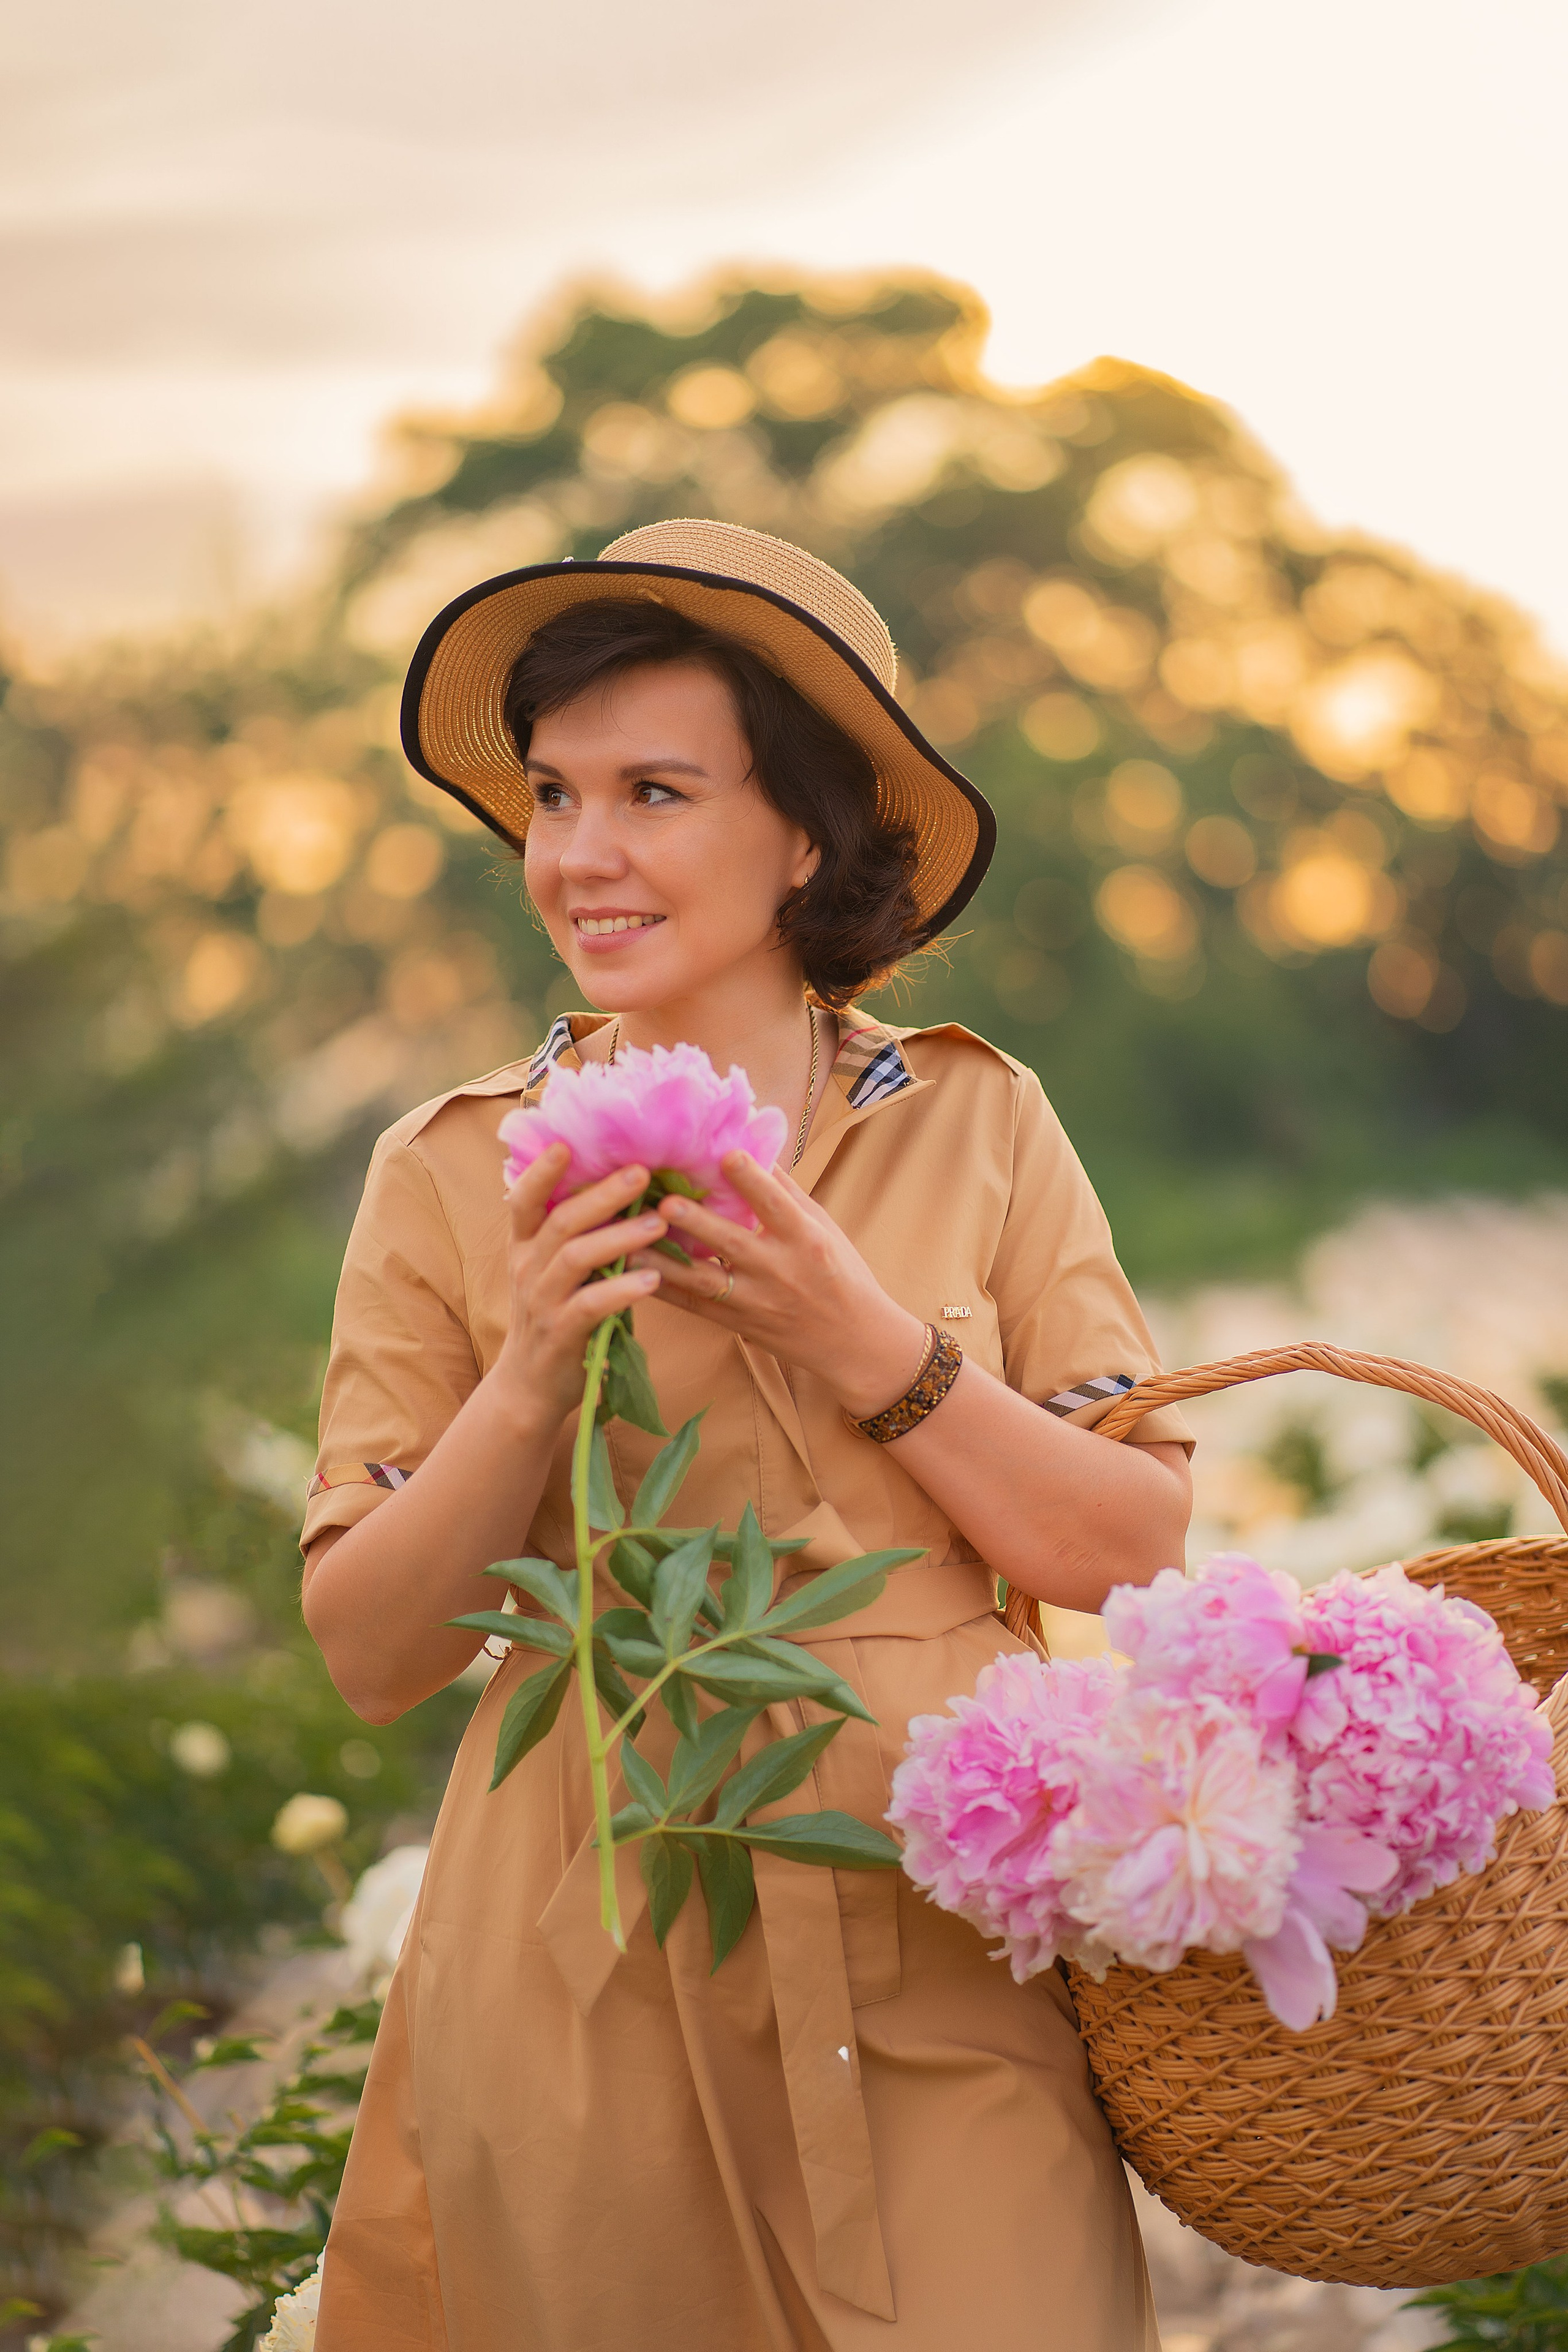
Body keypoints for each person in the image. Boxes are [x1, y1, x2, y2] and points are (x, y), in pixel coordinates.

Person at [301, 518, 1193, 2352]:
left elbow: (1128, 1545)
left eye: (653, 789)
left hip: (951, 1940)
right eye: (553, 795)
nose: (580, 854)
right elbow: (374, 1649)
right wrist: (534, 1368)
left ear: (804, 829)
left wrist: (864, 1339)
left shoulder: (981, 1123)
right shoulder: (452, 1168)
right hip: (591, 1956)